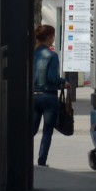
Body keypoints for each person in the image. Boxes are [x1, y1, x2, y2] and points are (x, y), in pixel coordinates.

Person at [32, 24, 67, 167]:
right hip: (49, 96)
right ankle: (41, 160)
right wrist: (63, 83)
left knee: (32, 129)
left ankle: (23, 158)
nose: (53, 38)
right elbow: (52, 77)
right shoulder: (52, 56)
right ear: (48, 38)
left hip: (34, 96)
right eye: (53, 36)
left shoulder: (33, 54)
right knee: (47, 131)